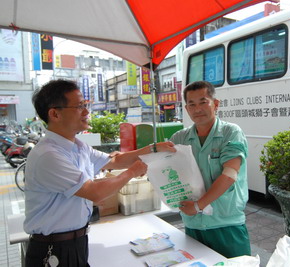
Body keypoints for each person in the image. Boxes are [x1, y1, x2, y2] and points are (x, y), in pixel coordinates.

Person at [23, 79, 175, 267]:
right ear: (54, 113)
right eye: (79, 107)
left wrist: (153, 149)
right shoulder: (48, 155)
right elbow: (94, 191)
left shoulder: (78, 147)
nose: (87, 112)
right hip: (53, 250)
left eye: (85, 105)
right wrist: (131, 172)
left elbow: (114, 161)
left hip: (76, 242)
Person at [170, 81, 251, 258]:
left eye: (203, 102)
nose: (197, 109)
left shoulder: (231, 132)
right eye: (192, 104)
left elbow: (229, 175)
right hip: (194, 225)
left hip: (226, 224)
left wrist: (198, 205)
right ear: (186, 108)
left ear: (215, 104)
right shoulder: (179, 138)